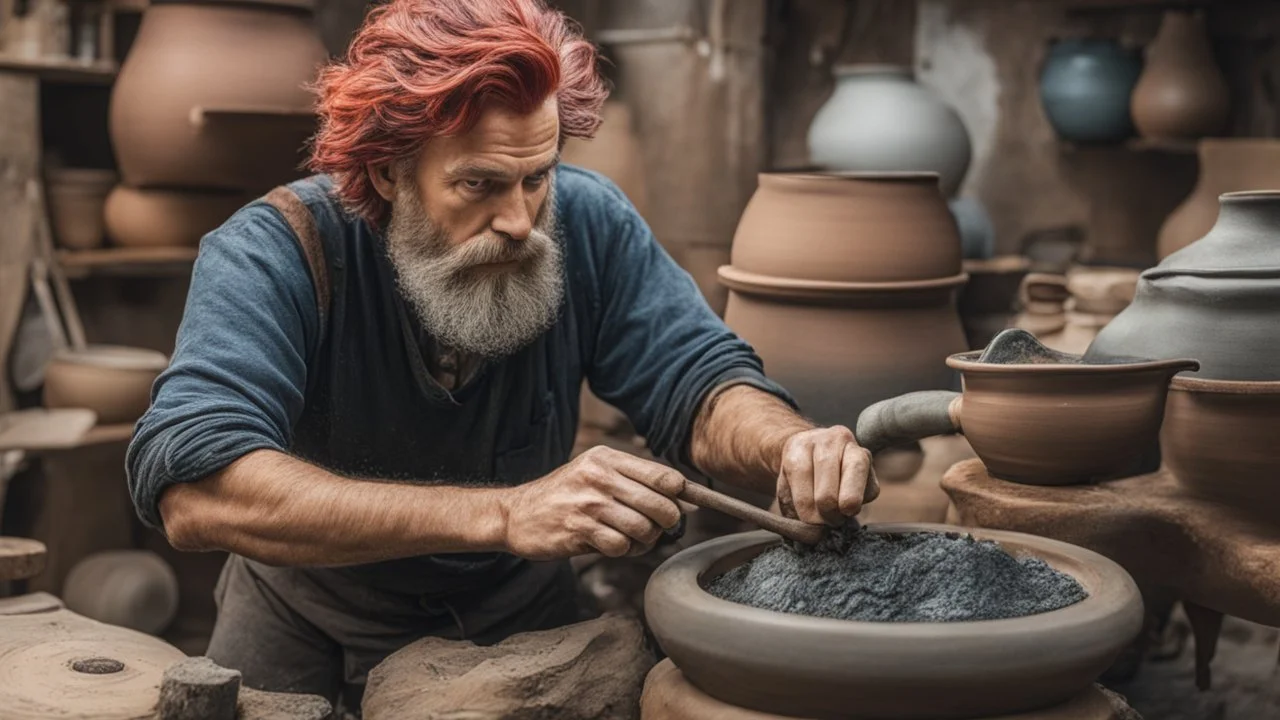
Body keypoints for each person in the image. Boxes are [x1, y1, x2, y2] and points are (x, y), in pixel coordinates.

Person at [126, 0, 877, 709]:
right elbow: (197, 487)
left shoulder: (590, 222)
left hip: (525, 633)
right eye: (478, 184)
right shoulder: (276, 252)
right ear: (388, 172)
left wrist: (788, 444)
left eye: (537, 176)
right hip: (307, 625)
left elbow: (698, 381)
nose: (520, 220)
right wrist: (506, 512)